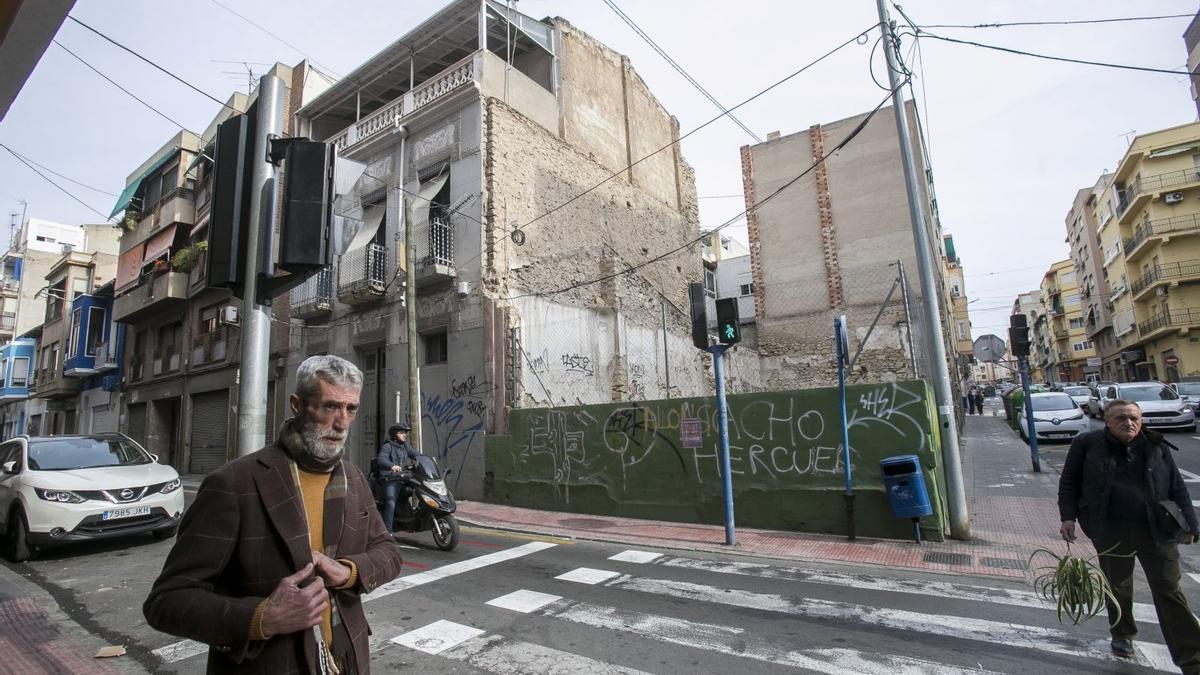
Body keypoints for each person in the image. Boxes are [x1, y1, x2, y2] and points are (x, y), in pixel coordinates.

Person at [144, 355, 404, 674]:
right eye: (329, 406)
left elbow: (388, 552)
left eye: (350, 409)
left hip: (347, 660)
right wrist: (260, 618)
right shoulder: (234, 484)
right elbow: (167, 601)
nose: (341, 423)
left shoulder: (354, 478)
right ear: (297, 404)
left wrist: (349, 572)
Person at [1058, 399, 1200, 671]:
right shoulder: (1086, 445)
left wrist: (1190, 525)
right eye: (1121, 418)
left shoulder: (1155, 444)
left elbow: (1176, 485)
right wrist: (1068, 518)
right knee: (1117, 586)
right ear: (1107, 422)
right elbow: (1069, 482)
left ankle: (1192, 658)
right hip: (1110, 528)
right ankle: (1122, 634)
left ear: (1141, 420)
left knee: (1169, 590)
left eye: (1134, 417)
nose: (1128, 422)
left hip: (1158, 529)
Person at [377, 423, 420, 534]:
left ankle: (411, 523)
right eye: (401, 432)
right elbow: (381, 460)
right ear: (394, 434)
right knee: (391, 502)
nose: (405, 435)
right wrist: (392, 466)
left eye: (405, 433)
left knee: (417, 491)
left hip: (402, 478)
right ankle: (388, 531)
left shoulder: (405, 446)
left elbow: (416, 454)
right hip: (390, 478)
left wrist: (427, 458)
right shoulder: (388, 446)